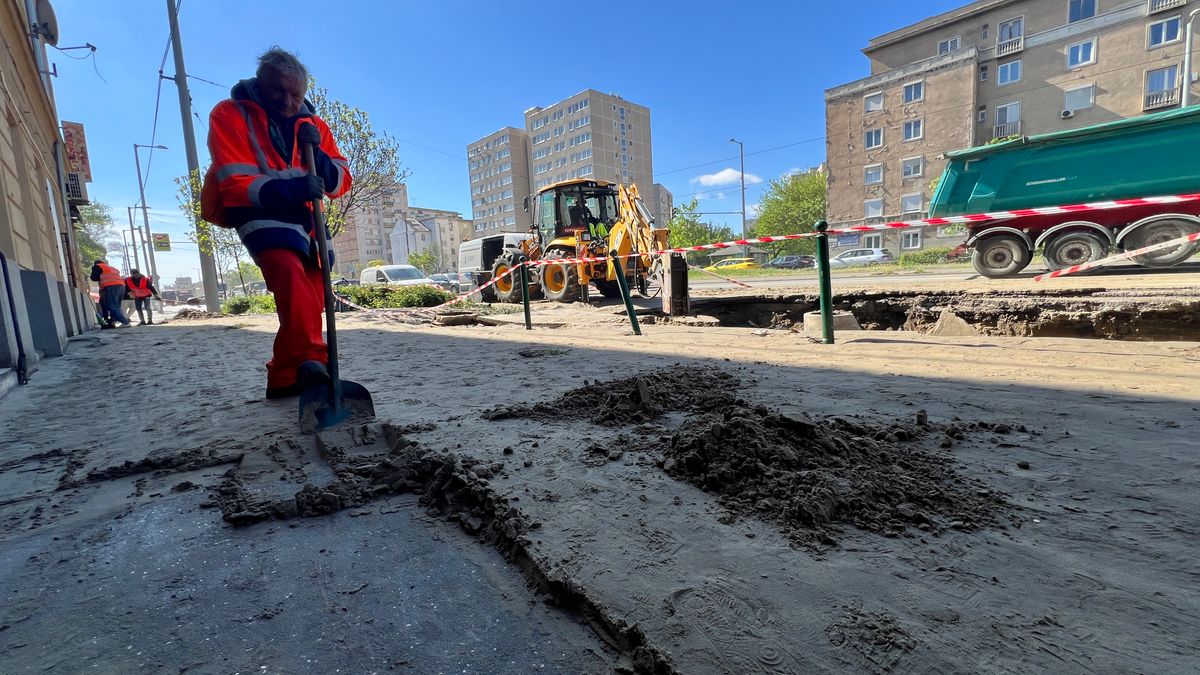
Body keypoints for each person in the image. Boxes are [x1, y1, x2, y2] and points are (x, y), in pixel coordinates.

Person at [203, 47, 352, 399]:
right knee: (287, 273)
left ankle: (285, 377)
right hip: (256, 206)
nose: (288, 101)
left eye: (295, 94)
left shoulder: (314, 126)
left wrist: (322, 162)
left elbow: (342, 181)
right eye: (278, 91)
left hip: (305, 213)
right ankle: (313, 363)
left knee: (315, 287)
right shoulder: (230, 114)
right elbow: (233, 177)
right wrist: (289, 186)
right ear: (260, 84)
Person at [90, 259, 130, 328]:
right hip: (121, 286)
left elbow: (94, 277)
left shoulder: (97, 266)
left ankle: (125, 322)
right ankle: (111, 322)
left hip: (111, 286)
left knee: (112, 305)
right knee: (116, 305)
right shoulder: (112, 268)